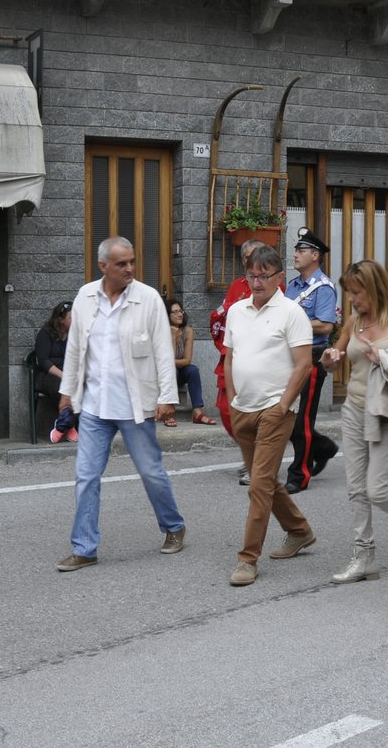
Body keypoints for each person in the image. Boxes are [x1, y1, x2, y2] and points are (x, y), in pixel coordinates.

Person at [55, 237, 186, 572]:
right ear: (103, 267)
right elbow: (74, 350)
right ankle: (84, 548)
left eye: (132, 262)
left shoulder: (148, 299)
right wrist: (67, 392)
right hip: (95, 406)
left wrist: (167, 397)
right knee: (86, 476)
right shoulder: (85, 296)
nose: (130, 268)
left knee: (151, 472)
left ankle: (173, 527)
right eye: (122, 264)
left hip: (135, 405)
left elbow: (161, 350)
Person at [224, 243, 317, 586]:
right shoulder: (236, 310)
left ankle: (248, 559)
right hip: (243, 409)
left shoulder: (292, 312)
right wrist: (233, 399)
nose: (257, 281)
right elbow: (230, 358)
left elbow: (304, 364)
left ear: (280, 277)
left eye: (264, 275)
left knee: (258, 485)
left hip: (275, 410)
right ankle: (299, 530)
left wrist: (283, 405)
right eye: (252, 274)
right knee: (266, 481)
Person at [320, 260, 388, 585]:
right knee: (356, 489)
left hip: (386, 412)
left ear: (373, 289)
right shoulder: (353, 322)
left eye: (356, 293)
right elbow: (335, 359)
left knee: (377, 489)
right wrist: (330, 359)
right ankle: (364, 557)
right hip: (354, 409)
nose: (351, 300)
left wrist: (386, 358)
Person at [211, 240, 273, 485]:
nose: (249, 260)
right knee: (226, 410)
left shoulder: (272, 286)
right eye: (245, 257)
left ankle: (259, 461)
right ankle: (252, 453)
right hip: (231, 357)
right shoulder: (236, 285)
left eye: (254, 255)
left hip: (258, 360)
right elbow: (222, 315)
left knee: (257, 413)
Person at [284, 228, 339, 494]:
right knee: (288, 415)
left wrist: (294, 324)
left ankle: (300, 474)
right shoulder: (292, 285)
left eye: (301, 250)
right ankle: (323, 447)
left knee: (301, 419)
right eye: (296, 249)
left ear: (315, 256)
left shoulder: (324, 288)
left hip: (312, 358)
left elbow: (326, 325)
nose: (295, 254)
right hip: (289, 357)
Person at [166, 295, 215, 427]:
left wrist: (171, 363)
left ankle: (197, 413)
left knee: (193, 370)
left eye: (180, 311)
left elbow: (187, 360)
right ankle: (168, 411)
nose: (179, 314)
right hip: (163, 376)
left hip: (179, 371)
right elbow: (165, 362)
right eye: (175, 312)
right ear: (167, 315)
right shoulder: (162, 332)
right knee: (171, 369)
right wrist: (173, 337)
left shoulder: (188, 331)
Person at [34, 300, 73, 442]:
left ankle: (64, 426)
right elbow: (43, 361)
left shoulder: (74, 335)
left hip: (69, 373)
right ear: (60, 320)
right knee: (62, 386)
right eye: (71, 317)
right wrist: (62, 375)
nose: (75, 320)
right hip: (49, 375)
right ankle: (68, 426)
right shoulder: (45, 334)